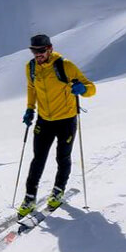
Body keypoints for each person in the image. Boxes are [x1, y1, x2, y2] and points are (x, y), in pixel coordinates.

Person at [18, 33, 96, 217]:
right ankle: (30, 197)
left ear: (50, 48)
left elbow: (91, 87)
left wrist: (83, 90)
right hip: (44, 120)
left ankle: (58, 190)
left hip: (66, 120)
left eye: (41, 51)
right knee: (38, 159)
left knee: (62, 157)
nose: (38, 55)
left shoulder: (65, 65)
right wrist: (30, 108)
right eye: (34, 51)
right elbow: (31, 88)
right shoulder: (30, 68)